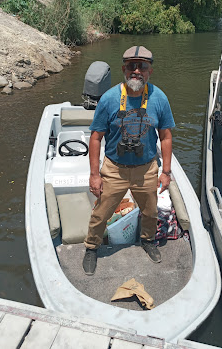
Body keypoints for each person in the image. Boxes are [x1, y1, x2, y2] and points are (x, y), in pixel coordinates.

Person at [82, 45, 175, 275]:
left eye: (142, 66)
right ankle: (92, 247)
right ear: (124, 69)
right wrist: (95, 175)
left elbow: (165, 136)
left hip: (146, 168)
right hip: (115, 168)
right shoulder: (109, 98)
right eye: (131, 66)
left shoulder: (159, 98)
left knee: (151, 211)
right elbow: (96, 138)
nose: (136, 71)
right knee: (101, 212)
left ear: (149, 71)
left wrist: (166, 171)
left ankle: (148, 240)